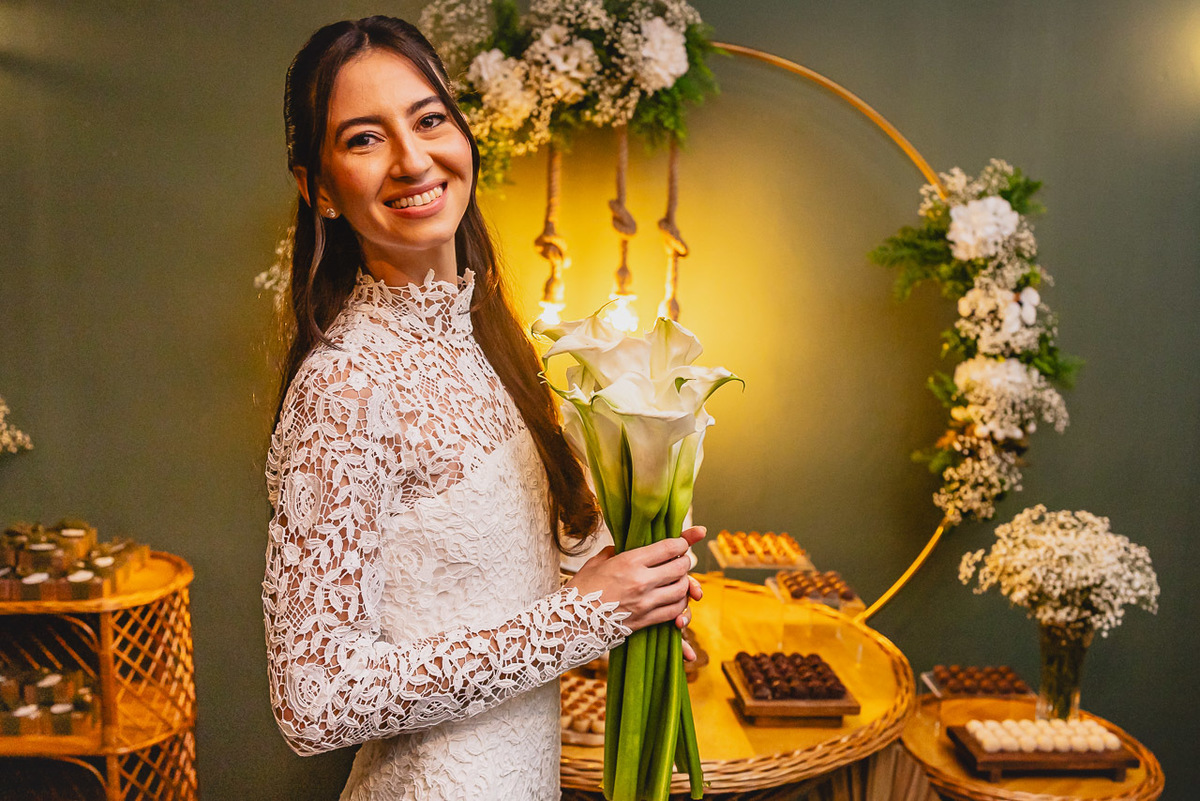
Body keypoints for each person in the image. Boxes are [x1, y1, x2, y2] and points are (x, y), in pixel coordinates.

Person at [262, 16, 704, 800]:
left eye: (430, 120)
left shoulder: (489, 337)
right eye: (365, 139)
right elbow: (314, 700)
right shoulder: (345, 386)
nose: (412, 159)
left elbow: (494, 585)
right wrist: (584, 617)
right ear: (319, 189)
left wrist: (633, 591)